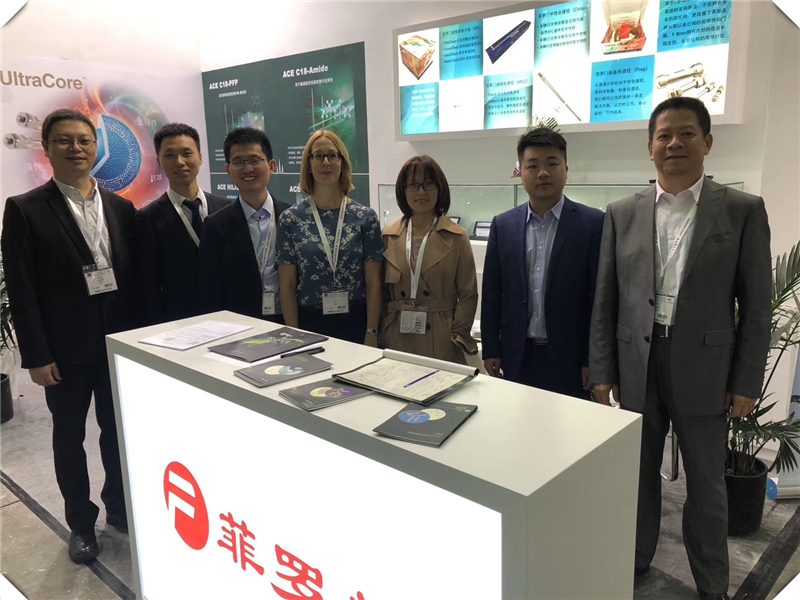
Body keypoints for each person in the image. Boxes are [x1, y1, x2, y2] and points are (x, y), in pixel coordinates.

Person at [589, 97, 772, 600]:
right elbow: (605, 299)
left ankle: (712, 584)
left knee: (707, 485)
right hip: (637, 363)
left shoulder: (741, 210)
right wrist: (602, 369)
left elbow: (757, 306)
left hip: (706, 368)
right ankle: (634, 559)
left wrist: (746, 382)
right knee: (637, 472)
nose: (675, 143)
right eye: (664, 135)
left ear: (707, 142)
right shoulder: (621, 213)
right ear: (649, 148)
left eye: (687, 133)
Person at [1, 109, 139, 563]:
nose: (75, 148)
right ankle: (81, 524)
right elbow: (22, 288)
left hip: (116, 345)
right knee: (69, 438)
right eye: (64, 140)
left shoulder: (120, 207)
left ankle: (119, 507)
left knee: (116, 432)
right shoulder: (25, 209)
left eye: (84, 140)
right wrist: (37, 356)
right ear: (46, 148)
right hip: (63, 352)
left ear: (96, 147)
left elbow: (133, 280)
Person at [481, 128, 604, 398]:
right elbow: (492, 292)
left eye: (552, 163)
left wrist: (591, 358)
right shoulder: (503, 225)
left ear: (566, 169)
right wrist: (491, 348)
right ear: (520, 172)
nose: (543, 173)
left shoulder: (592, 223)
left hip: (570, 359)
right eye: (533, 165)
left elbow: (598, 298)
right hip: (517, 355)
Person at [276, 130, 382, 345]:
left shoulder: (365, 217)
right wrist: (294, 334)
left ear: (342, 162)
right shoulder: (290, 219)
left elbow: (373, 282)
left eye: (332, 155)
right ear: (309, 164)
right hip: (309, 322)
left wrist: (372, 331)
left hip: (356, 322)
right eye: (318, 156)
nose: (326, 162)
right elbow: (287, 285)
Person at [381, 155, 478, 363]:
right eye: (413, 185)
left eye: (428, 184)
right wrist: (383, 328)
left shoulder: (456, 237)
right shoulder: (388, 236)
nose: (421, 192)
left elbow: (468, 294)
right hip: (397, 333)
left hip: (441, 336)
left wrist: (457, 336)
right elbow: (381, 293)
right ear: (403, 190)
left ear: (440, 188)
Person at [136, 123, 229, 325]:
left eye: (187, 153)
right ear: (159, 162)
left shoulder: (225, 208)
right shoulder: (147, 218)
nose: (179, 162)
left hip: (228, 317)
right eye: (169, 155)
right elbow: (149, 285)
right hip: (179, 323)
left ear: (200, 158)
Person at [198, 127, 290, 323]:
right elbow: (210, 290)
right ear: (228, 170)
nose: (248, 169)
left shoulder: (292, 217)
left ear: (272, 166)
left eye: (255, 160)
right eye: (238, 162)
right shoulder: (215, 226)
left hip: (290, 322)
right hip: (241, 326)